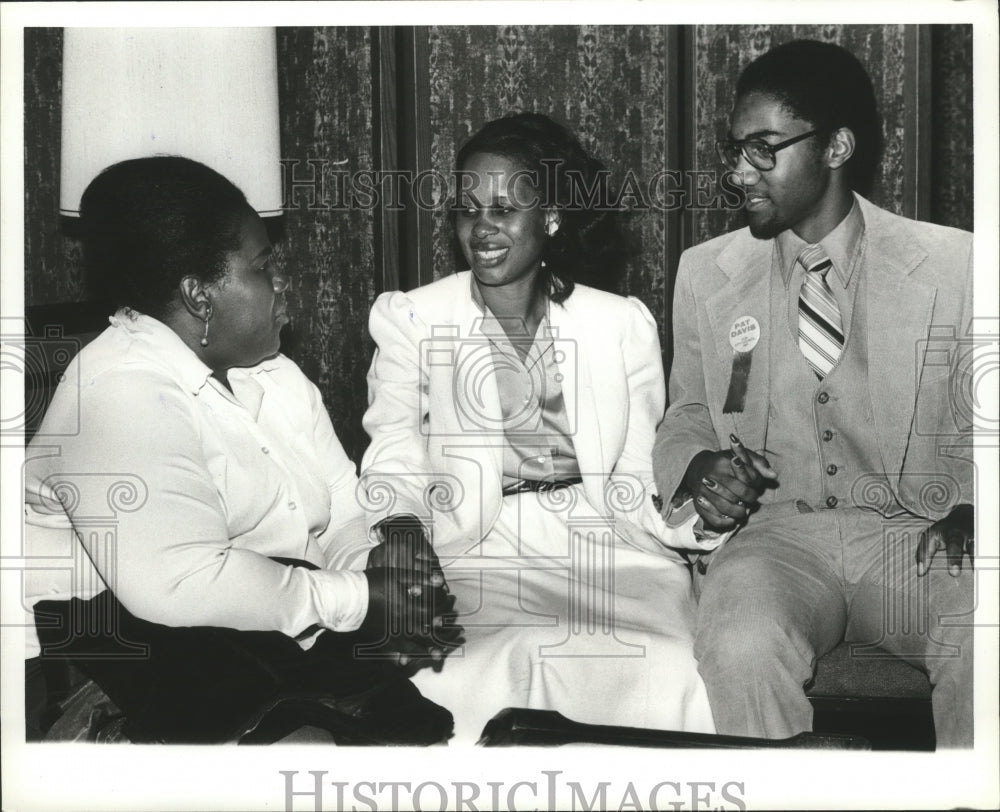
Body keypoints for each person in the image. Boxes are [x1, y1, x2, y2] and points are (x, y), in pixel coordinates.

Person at [23, 156, 458, 744]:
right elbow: (183, 583)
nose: (282, 282)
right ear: (199, 295)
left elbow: (342, 506)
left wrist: (373, 575)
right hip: (137, 649)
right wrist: (362, 599)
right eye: (262, 266)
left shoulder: (273, 375)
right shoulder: (118, 390)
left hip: (266, 622)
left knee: (438, 707)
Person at [360, 112, 725, 742]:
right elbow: (392, 452)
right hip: (477, 547)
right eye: (467, 209)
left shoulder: (619, 325)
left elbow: (636, 475)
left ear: (551, 217)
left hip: (605, 549)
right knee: (466, 670)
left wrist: (697, 513)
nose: (481, 228)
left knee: (662, 665)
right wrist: (399, 530)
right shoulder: (414, 318)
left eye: (504, 209)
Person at [653, 40, 974, 747]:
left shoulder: (960, 265)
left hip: (914, 539)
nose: (740, 172)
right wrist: (699, 469)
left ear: (837, 146)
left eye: (765, 149)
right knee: (738, 643)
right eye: (736, 149)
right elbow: (686, 416)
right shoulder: (706, 273)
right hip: (777, 544)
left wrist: (980, 507)